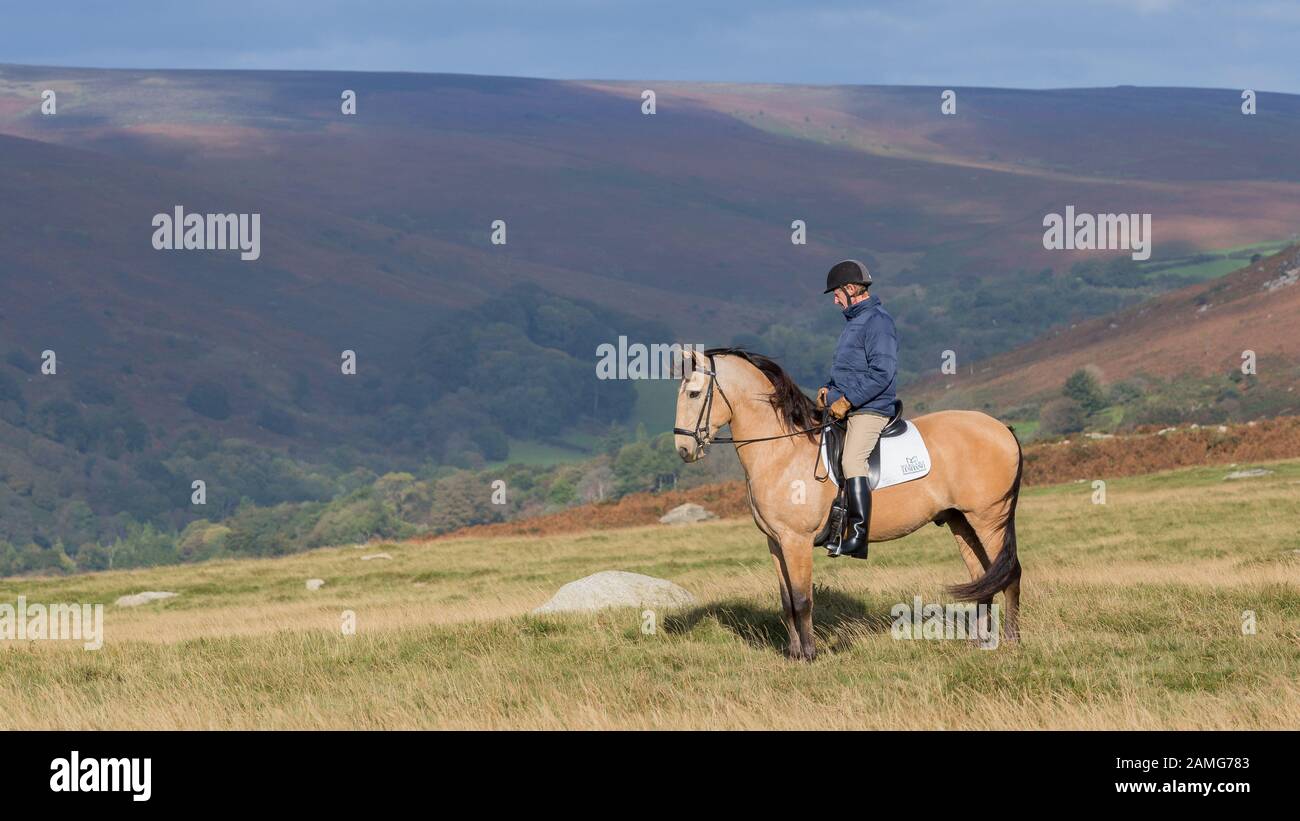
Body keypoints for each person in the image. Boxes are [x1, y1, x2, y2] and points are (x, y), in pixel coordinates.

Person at [815, 260, 898, 559]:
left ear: (850, 289)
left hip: (870, 408)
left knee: (852, 460)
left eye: (836, 293)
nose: (834, 299)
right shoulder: (855, 322)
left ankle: (859, 536)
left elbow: (881, 373)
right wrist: (829, 389)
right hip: (849, 405)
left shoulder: (878, 321)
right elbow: (848, 371)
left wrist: (847, 400)